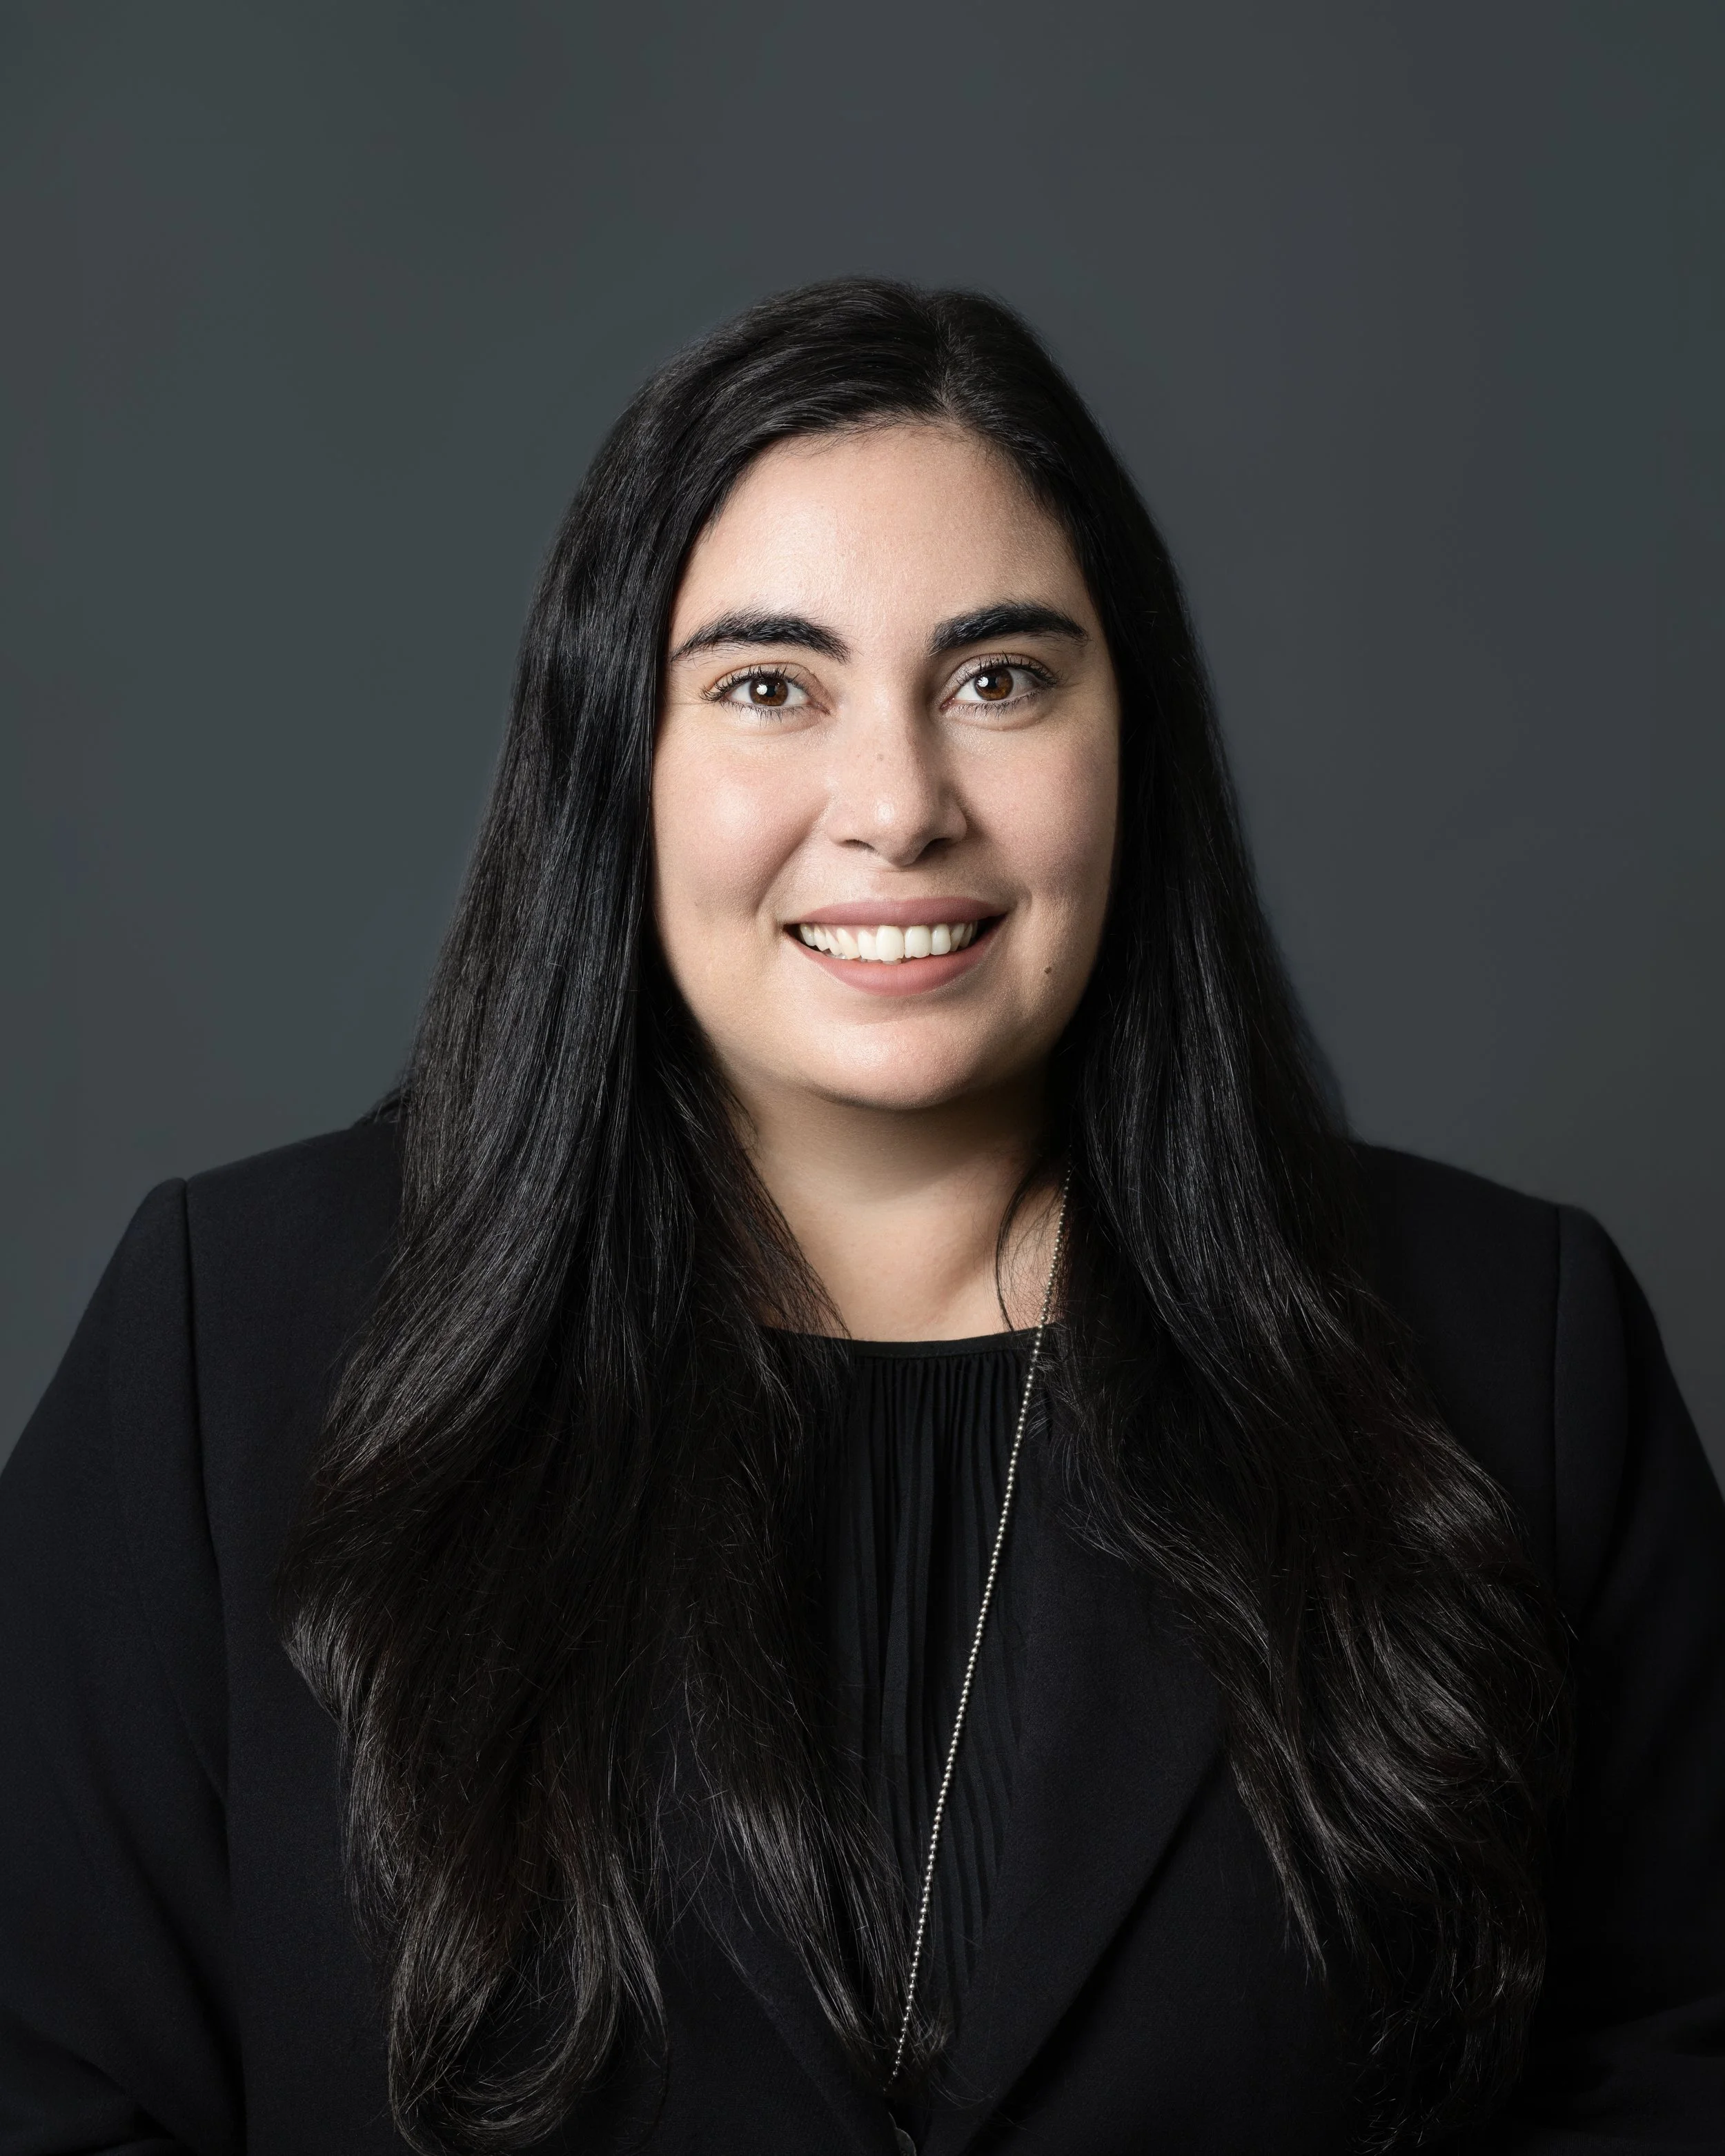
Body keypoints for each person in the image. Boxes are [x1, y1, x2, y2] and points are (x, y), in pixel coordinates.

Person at [1, 279, 1720, 2156]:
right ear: (616, 757)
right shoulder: (222, 1344)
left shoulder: (1505, 1342)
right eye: (766, 685)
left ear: (1125, 741)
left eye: (999, 678)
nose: (896, 805)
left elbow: (1670, 2068)